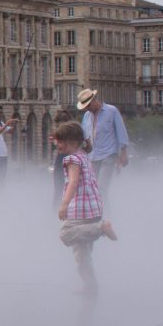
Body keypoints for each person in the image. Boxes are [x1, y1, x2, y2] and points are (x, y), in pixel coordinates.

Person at [54, 121, 118, 294]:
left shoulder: (72, 159)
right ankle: (90, 285)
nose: (56, 144)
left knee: (65, 234)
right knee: (82, 253)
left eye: (60, 141)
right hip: (93, 208)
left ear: (72, 142)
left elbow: (73, 182)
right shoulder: (83, 155)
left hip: (80, 210)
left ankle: (100, 228)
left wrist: (64, 204)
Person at [77, 88, 131, 203]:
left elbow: (121, 131)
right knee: (92, 189)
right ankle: (98, 215)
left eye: (87, 106)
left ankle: (106, 216)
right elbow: (84, 135)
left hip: (109, 154)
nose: (87, 109)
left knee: (101, 188)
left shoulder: (111, 111)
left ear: (93, 101)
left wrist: (123, 153)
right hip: (92, 157)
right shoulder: (87, 116)